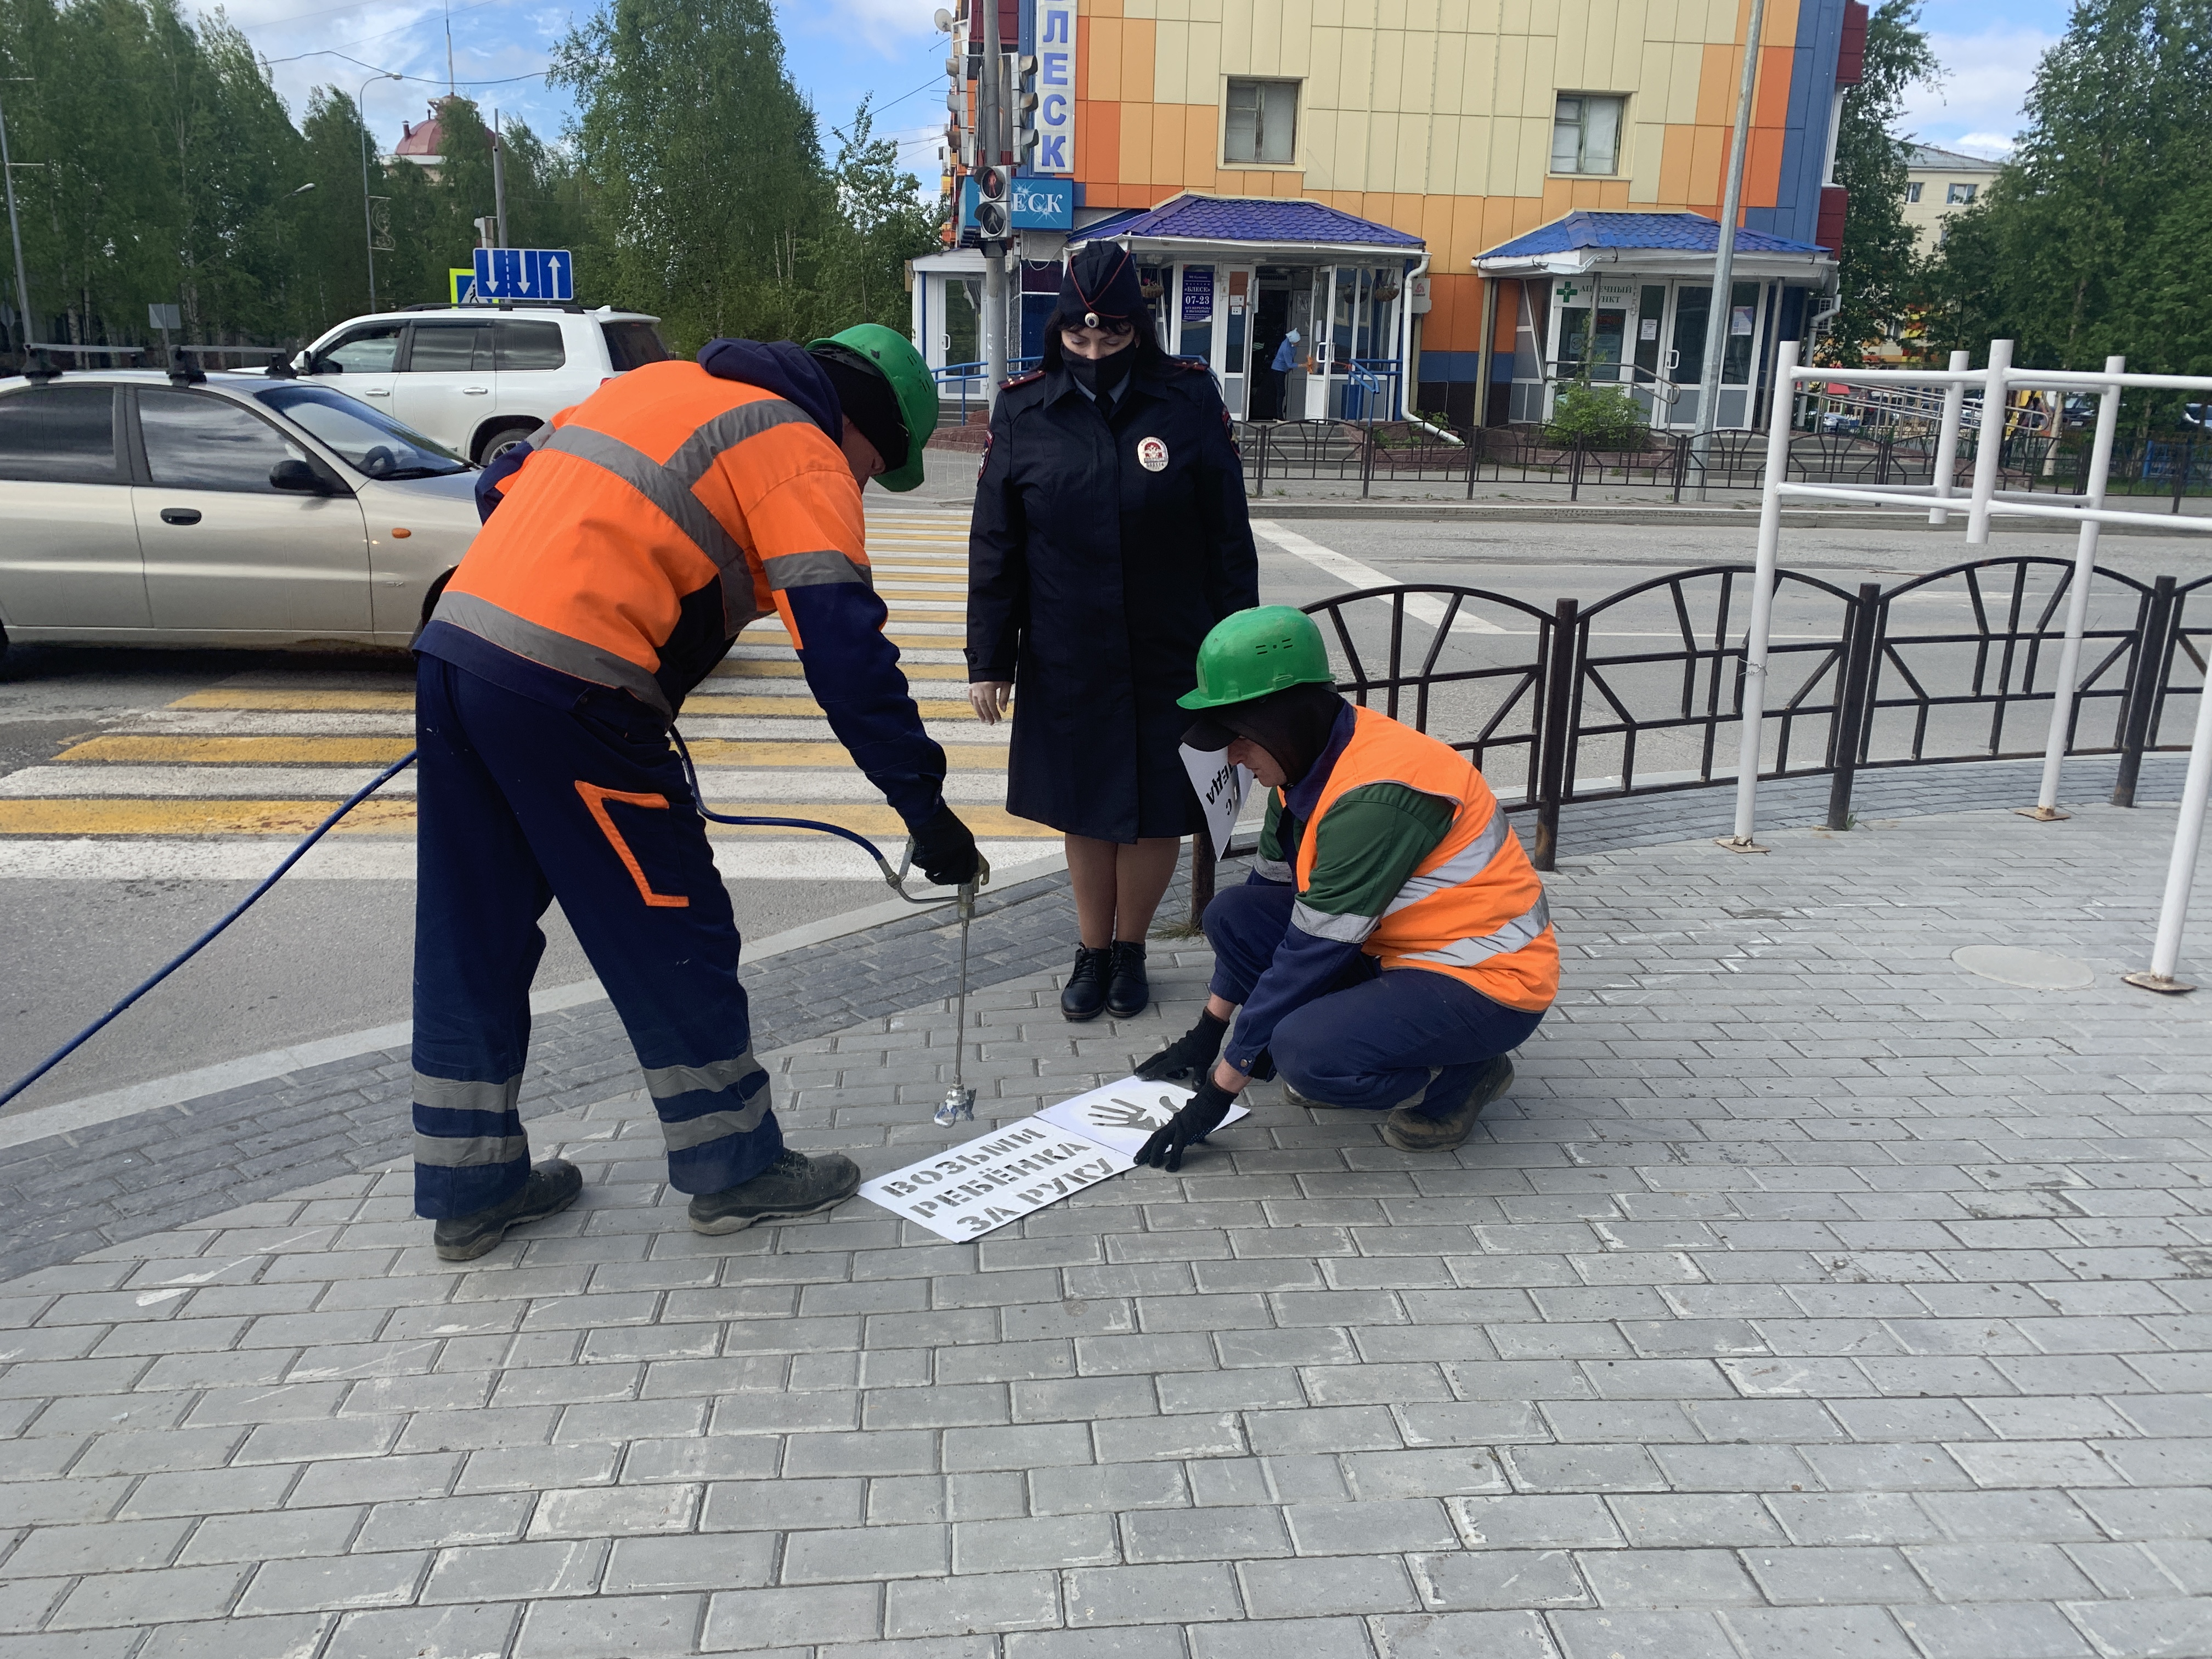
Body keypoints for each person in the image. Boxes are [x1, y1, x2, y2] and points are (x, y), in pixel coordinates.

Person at [408, 324, 981, 1261]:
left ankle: (471, 1188)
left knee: (473, 926)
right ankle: (733, 1167)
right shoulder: (799, 448)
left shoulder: (658, 387)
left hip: (458, 652)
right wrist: (925, 807)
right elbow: (844, 654)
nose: (864, 487)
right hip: (576, 689)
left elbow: (500, 480)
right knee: (671, 924)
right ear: (865, 426)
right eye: (879, 468)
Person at [1128, 606, 1557, 1169]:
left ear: (1280, 720)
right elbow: (1266, 917)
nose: (1231, 755)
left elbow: (1307, 954)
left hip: (1487, 981)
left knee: (1307, 1056)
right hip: (1396, 950)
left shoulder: (1374, 797)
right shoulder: (1304, 766)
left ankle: (1464, 1075)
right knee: (1232, 913)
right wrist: (1208, 1033)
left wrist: (1218, 1091)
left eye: (1237, 737)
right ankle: (1376, 1037)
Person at [968, 243, 1259, 1023]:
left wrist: (1242, 665)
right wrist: (989, 657)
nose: (1094, 354)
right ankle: (1091, 951)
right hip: (1069, 650)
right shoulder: (1024, 409)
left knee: (1159, 807)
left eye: (1112, 339)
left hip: (1174, 648)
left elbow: (1229, 539)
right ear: (1060, 327)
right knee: (1087, 806)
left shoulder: (1188, 401)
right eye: (1079, 339)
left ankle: (1132, 951)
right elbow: (997, 542)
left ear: (1140, 331)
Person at [1263, 328, 1301, 420]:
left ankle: (1277, 415)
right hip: (1278, 370)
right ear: (1293, 341)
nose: (1299, 344)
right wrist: (1304, 365)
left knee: (1279, 393)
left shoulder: (1291, 344)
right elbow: (1290, 364)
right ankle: (1279, 417)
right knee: (1281, 392)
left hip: (1282, 370)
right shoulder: (1286, 348)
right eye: (1297, 342)